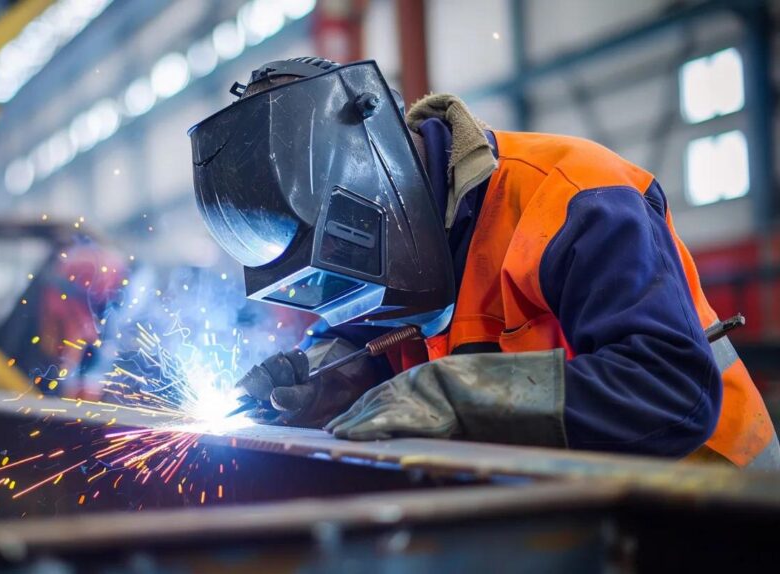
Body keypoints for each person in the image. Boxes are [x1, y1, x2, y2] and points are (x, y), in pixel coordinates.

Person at [188, 57, 778, 469]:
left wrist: (460, 394)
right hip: (571, 506)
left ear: (382, 175)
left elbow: (673, 394)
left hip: (707, 502)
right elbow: (387, 345)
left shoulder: (573, 194)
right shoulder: (390, 242)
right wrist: (327, 378)